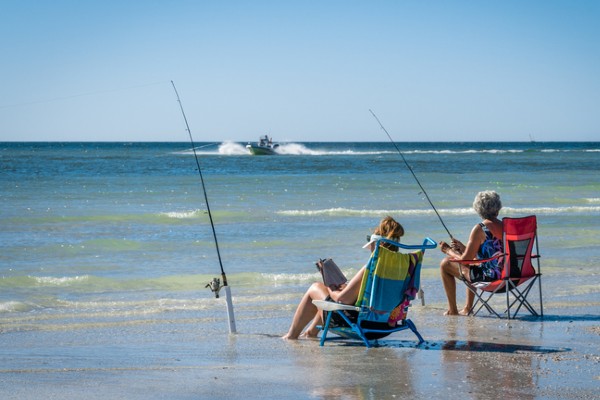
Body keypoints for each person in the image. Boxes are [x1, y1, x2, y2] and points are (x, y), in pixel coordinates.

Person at [282, 216, 405, 340]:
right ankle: (310, 333)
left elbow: (342, 299)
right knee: (331, 295)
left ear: (378, 244)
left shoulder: (372, 268)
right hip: (385, 327)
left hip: (360, 325)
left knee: (316, 288)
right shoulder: (404, 269)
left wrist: (330, 286)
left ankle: (291, 335)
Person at [439, 190, 504, 316]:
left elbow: (465, 261)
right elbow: (488, 254)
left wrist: (449, 251)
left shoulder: (480, 229)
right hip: (512, 276)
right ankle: (468, 308)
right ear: (498, 208)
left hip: (491, 279)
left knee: (445, 263)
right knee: (473, 263)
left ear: (479, 209)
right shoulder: (507, 226)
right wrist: (463, 248)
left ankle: (453, 310)